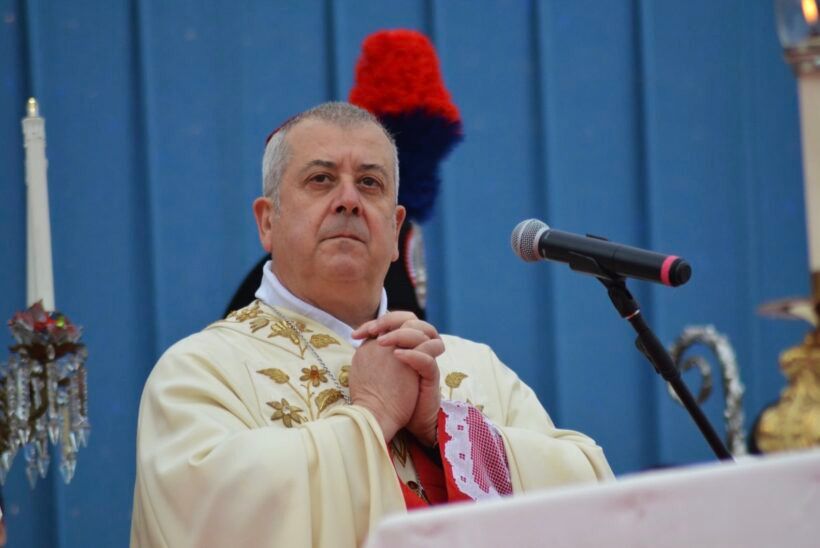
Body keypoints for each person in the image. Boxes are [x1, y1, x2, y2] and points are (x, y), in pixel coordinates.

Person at [130, 102, 613, 547]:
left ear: (396, 225)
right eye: (320, 180)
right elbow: (212, 520)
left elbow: (594, 503)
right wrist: (373, 415)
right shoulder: (198, 372)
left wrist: (444, 428)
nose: (348, 200)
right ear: (267, 221)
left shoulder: (473, 365)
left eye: (370, 183)